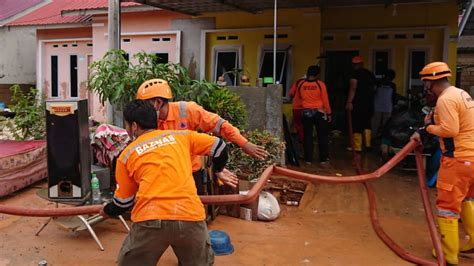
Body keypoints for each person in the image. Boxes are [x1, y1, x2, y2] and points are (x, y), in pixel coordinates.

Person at [101, 100, 234, 266]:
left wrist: (106, 211)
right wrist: (218, 170)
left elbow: (123, 203)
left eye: (126, 125)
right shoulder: (181, 136)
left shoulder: (127, 155)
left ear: (134, 126)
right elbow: (220, 147)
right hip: (190, 216)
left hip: (151, 218)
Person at [136, 79, 267, 194]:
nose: (141, 110)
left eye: (144, 104)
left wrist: (244, 144)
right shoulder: (147, 121)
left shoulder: (187, 110)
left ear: (158, 103)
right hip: (162, 175)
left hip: (190, 173)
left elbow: (220, 125)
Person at [410, 61, 474, 265]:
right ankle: (472, 242)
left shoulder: (445, 100)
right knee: (467, 200)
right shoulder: (460, 94)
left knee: (447, 206)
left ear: (431, 82)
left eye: (426, 83)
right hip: (472, 159)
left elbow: (450, 130)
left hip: (458, 161)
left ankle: (448, 254)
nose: (425, 87)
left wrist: (428, 129)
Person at [291, 65, 331, 165]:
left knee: (307, 136)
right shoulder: (320, 84)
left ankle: (308, 159)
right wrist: (329, 113)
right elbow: (325, 99)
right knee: (322, 136)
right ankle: (323, 158)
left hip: (306, 112)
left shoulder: (301, 84)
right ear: (317, 74)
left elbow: (298, 98)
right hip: (319, 112)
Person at [346, 55, 376, 151]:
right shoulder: (370, 74)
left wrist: (349, 101)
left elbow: (353, 88)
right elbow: (374, 88)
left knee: (357, 124)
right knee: (367, 123)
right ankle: (368, 144)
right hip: (369, 103)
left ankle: (357, 146)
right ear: (362, 64)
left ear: (353, 65)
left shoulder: (354, 75)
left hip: (358, 103)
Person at [372, 69, 396, 139]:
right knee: (376, 125)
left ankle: (381, 140)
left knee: (382, 125)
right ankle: (375, 139)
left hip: (385, 108)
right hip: (380, 108)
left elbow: (393, 97)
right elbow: (393, 98)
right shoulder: (378, 84)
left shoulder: (391, 85)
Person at [289, 76, 305, 144]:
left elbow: (291, 93)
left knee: (298, 125)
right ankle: (305, 140)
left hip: (297, 108)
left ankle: (301, 140)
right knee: (306, 126)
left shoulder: (298, 82)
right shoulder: (316, 83)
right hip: (308, 108)